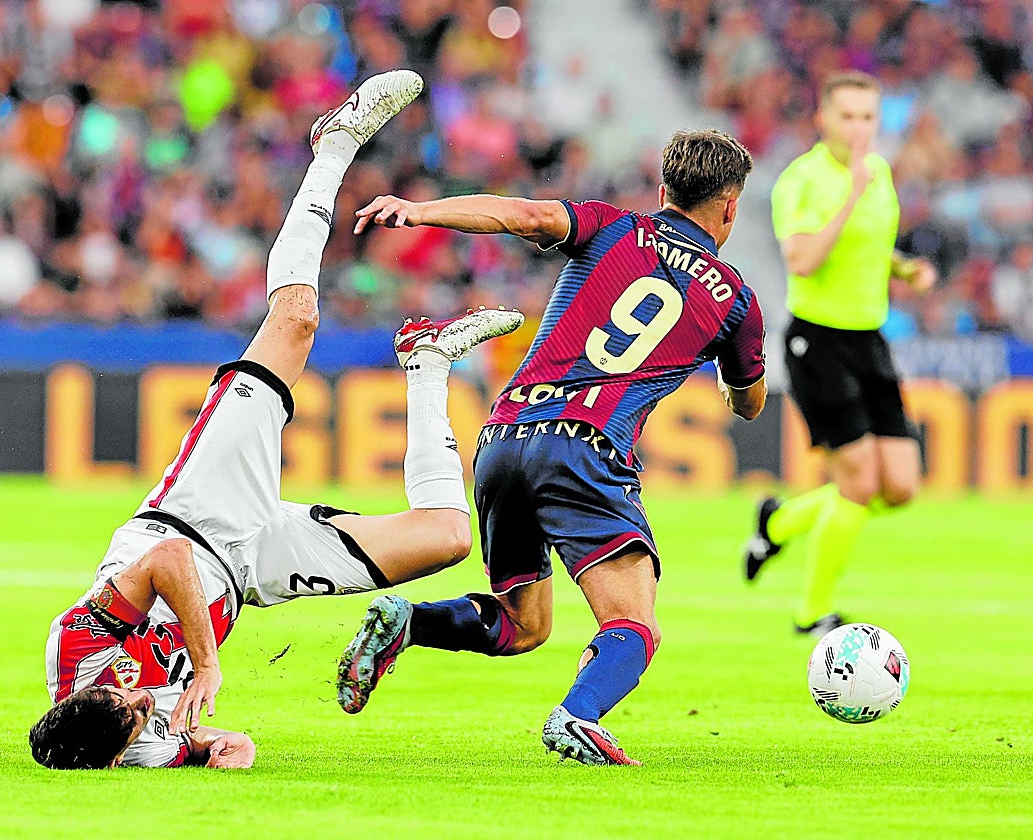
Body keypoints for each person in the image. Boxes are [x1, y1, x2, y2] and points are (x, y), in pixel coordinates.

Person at [28, 70, 525, 770]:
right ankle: (428, 362)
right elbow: (229, 748)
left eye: (127, 700)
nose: (141, 704)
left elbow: (167, 564)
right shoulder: (131, 747)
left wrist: (205, 667)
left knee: (295, 322)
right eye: (137, 717)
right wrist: (213, 749)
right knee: (445, 539)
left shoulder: (76, 651)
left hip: (195, 517)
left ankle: (333, 146)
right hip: (251, 572)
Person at [338, 129, 767, 765]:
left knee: (524, 624)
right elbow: (750, 401)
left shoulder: (611, 228)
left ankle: (409, 622)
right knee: (634, 625)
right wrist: (728, 382)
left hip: (505, 436)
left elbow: (524, 214)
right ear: (730, 208)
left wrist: (421, 210)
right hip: (585, 448)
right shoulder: (734, 300)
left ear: (663, 191)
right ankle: (578, 717)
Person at [743, 71, 936, 637]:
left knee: (899, 487)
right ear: (822, 119)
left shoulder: (878, 173)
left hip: (869, 340)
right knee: (856, 486)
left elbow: (871, 246)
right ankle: (812, 613)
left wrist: (904, 269)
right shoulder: (802, 181)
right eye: (847, 116)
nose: (858, 128)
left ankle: (778, 522)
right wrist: (850, 193)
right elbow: (803, 260)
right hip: (817, 340)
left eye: (868, 118)